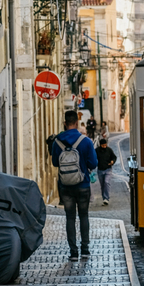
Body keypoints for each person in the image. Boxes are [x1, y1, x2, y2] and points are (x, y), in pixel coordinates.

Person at [50, 110, 98, 261]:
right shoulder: (86, 141)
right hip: (83, 184)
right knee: (83, 215)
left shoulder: (57, 142)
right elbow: (93, 163)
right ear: (76, 123)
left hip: (65, 186)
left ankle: (73, 252)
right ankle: (85, 249)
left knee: (70, 218)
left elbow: (55, 163)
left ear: (64, 123)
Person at [95, 137, 117, 206]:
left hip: (108, 169)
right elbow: (93, 158)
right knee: (102, 185)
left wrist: (112, 161)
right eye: (103, 145)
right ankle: (104, 198)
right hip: (100, 170)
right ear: (100, 145)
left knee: (106, 182)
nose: (104, 146)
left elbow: (114, 157)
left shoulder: (109, 150)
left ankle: (106, 198)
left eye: (105, 145)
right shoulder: (96, 151)